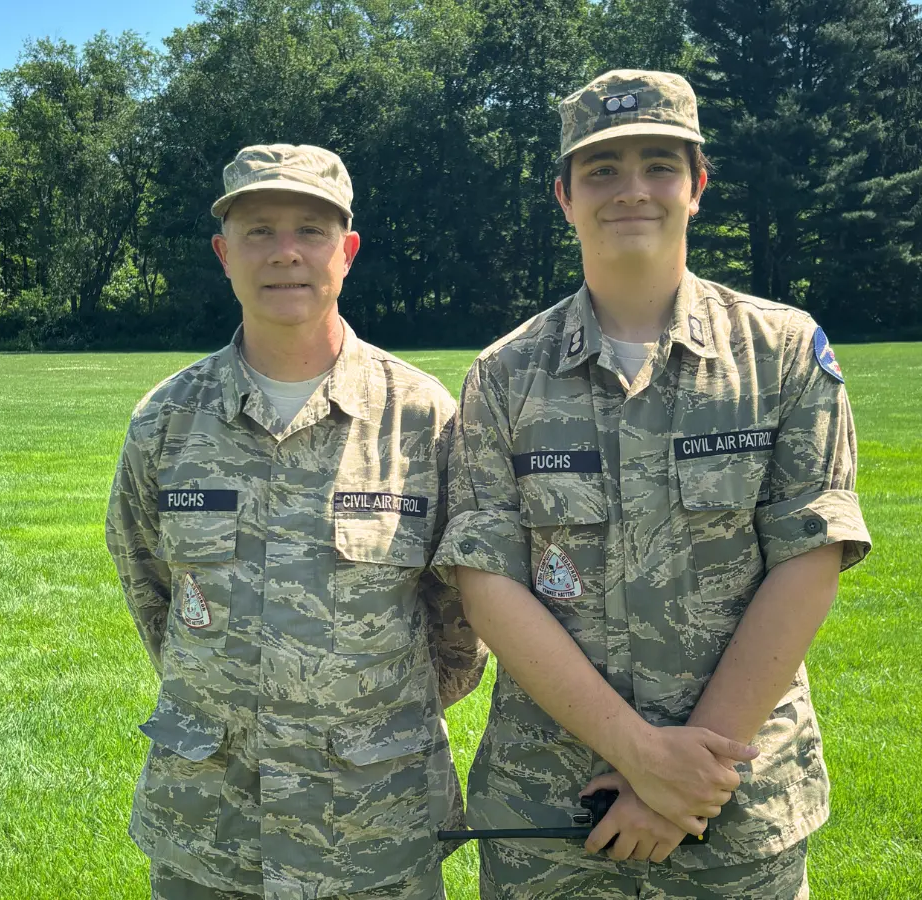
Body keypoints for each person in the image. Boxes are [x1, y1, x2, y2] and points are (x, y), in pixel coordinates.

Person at [433, 70, 872, 898]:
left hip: (732, 806)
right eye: (602, 169)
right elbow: (488, 582)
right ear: (565, 197)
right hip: (551, 815)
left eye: (659, 166)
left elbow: (810, 561)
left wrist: (684, 782)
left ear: (698, 187)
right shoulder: (505, 374)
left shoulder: (781, 353)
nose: (631, 189)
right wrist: (641, 754)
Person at [105, 143, 487, 900]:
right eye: (259, 231)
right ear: (224, 254)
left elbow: (461, 619)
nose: (286, 252)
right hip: (212, 824)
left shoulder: (422, 417)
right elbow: (151, 592)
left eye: (311, 230)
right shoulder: (166, 420)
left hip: (375, 827)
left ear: (347, 251)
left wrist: (362, 724)